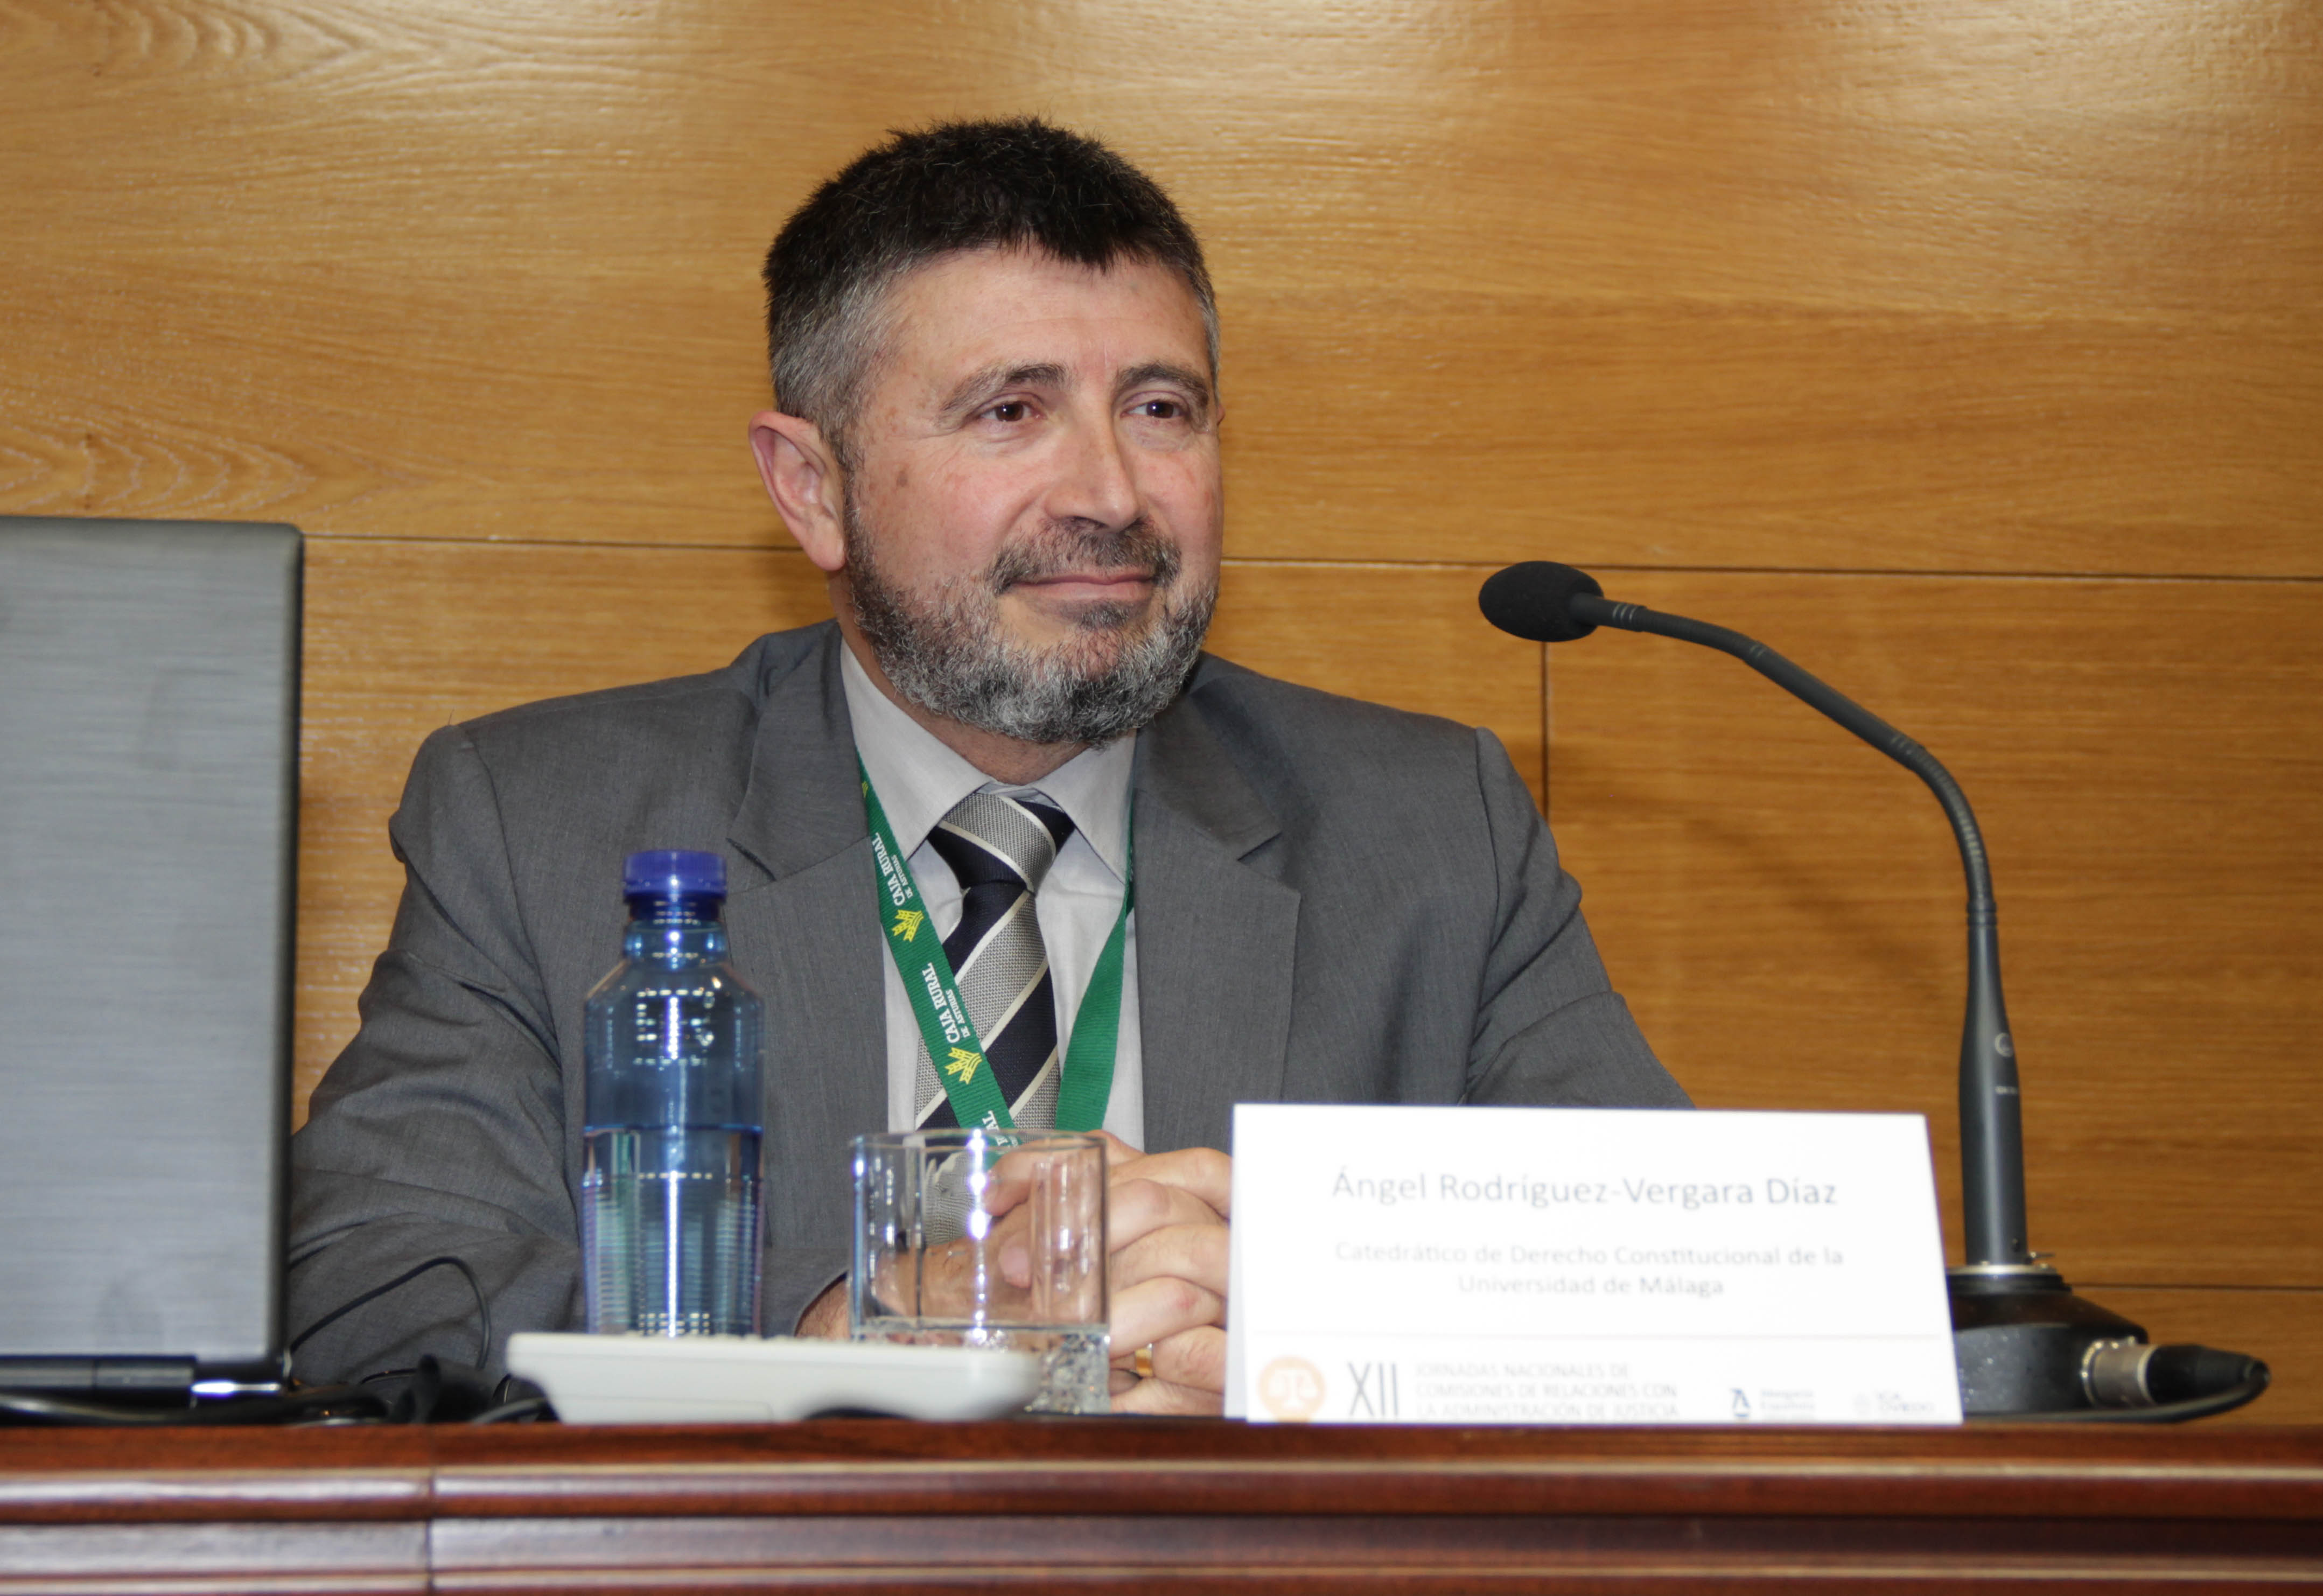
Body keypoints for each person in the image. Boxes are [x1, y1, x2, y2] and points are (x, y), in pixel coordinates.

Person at [286, 118, 1688, 1415]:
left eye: (1161, 408)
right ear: (813, 489)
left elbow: (1669, 1296)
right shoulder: (539, 822)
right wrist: (848, 1335)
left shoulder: (1430, 831)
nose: (1112, 494)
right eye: (1011, 411)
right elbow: (376, 1290)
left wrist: (1298, 1325)